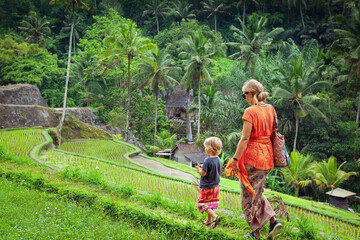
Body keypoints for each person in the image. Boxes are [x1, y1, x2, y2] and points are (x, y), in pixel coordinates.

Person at [226, 79, 282, 239]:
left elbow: (244, 139)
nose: (244, 98)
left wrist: (236, 159)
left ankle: (257, 232)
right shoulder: (270, 109)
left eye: (244, 95)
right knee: (256, 191)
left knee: (247, 197)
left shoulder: (250, 112)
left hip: (252, 157)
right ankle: (271, 222)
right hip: (267, 157)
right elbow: (274, 131)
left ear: (251, 94)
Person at [196, 137, 222, 228]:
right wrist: (204, 167)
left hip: (207, 186)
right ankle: (208, 221)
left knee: (202, 203)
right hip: (215, 186)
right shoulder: (217, 159)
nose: (205, 149)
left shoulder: (207, 160)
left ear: (209, 148)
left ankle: (215, 217)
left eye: (205, 147)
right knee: (210, 203)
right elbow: (214, 169)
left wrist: (199, 170)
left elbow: (203, 173)